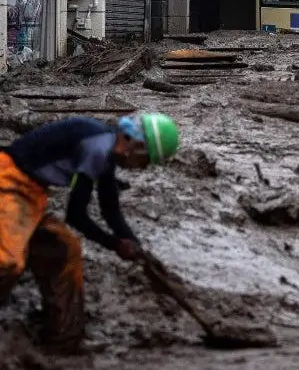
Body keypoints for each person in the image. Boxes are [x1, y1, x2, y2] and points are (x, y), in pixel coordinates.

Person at [0, 112, 180, 353]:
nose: (142, 168)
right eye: (146, 161)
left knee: (65, 250)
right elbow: (76, 215)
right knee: (7, 261)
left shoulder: (105, 150)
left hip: (32, 194)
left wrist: (135, 246)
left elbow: (111, 211)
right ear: (136, 146)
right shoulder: (96, 149)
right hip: (7, 182)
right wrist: (115, 245)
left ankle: (63, 342)